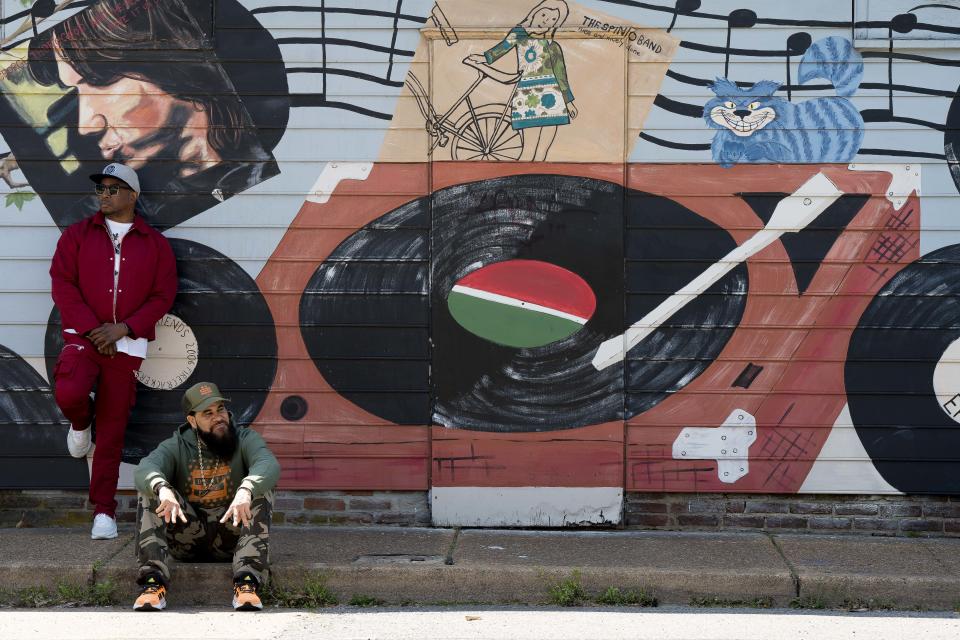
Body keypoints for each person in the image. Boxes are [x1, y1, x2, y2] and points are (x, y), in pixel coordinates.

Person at [50, 162, 178, 540]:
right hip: (83, 338)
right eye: (101, 189)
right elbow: (63, 283)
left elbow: (163, 295)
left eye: (112, 189)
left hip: (127, 345)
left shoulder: (155, 245)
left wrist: (124, 328)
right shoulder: (76, 236)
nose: (103, 195)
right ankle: (78, 424)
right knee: (69, 391)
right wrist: (93, 329)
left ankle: (103, 512)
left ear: (132, 196)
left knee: (112, 429)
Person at [132, 382, 280, 612]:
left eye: (220, 409)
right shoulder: (177, 445)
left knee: (260, 490)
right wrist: (162, 487)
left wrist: (246, 488)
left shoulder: (244, 438)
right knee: (152, 491)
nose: (218, 417)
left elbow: (267, 463)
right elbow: (145, 468)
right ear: (192, 421)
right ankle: (153, 584)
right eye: (207, 413)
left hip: (232, 537)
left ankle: (247, 583)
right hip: (186, 538)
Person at [468, 0, 577, 161]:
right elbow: (501, 48)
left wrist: (568, 102)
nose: (546, 21)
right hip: (528, 97)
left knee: (543, 153)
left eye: (553, 20)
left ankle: (538, 183)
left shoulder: (553, 46)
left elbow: (561, 78)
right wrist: (484, 58)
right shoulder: (519, 34)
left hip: (553, 100)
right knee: (527, 150)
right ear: (534, 13)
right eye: (544, 14)